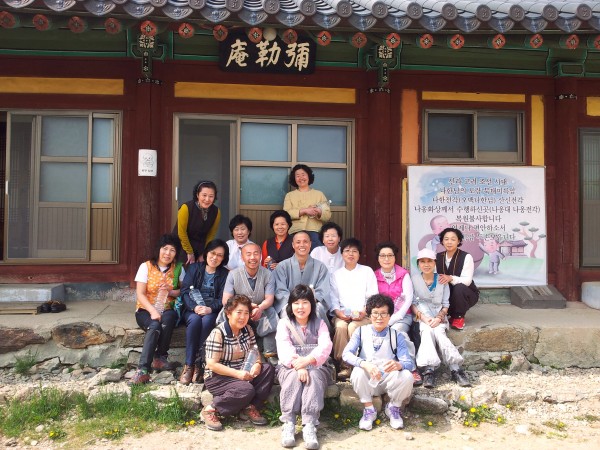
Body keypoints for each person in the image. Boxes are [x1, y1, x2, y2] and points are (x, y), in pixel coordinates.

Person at [202, 295, 275, 431]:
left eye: (246, 313)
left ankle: (250, 407)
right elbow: (212, 364)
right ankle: (211, 409)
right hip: (218, 376)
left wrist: (257, 364)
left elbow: (254, 351)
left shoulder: (248, 329)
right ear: (228, 313)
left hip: (242, 371)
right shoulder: (218, 333)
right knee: (246, 389)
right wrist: (237, 374)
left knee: (268, 369)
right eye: (239, 312)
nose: (243, 317)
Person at [342, 294, 415, 431]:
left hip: (388, 379)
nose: (379, 317)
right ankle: (369, 409)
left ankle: (394, 407)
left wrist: (399, 365)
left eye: (383, 313)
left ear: (389, 315)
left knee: (407, 376)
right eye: (375, 313)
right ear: (369, 315)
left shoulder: (396, 335)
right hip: (368, 379)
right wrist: (364, 364)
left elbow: (408, 362)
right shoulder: (360, 332)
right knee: (357, 371)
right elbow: (346, 354)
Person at [276, 285, 333, 449]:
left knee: (313, 377)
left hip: (316, 366)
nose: (300, 307)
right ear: (290, 305)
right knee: (293, 377)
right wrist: (298, 366)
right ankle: (288, 422)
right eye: (296, 303)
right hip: (290, 367)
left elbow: (325, 345)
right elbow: (284, 347)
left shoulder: (320, 324)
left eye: (305, 302)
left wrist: (307, 361)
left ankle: (310, 424)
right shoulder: (284, 324)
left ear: (312, 305)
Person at [411, 248, 471, 388]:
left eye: (429, 261)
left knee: (438, 332)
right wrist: (424, 319)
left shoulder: (442, 279)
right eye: (422, 261)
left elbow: (445, 304)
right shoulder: (413, 279)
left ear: (435, 263)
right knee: (427, 331)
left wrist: (438, 318)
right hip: (422, 317)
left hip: (439, 318)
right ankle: (429, 370)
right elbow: (413, 303)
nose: (426, 264)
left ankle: (455, 369)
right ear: (418, 264)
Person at [131, 234, 185, 385]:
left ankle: (160, 357)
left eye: (172, 250)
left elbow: (182, 291)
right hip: (145, 310)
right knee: (154, 325)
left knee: (169, 318)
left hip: (167, 308)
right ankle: (143, 370)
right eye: (165, 249)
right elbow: (140, 294)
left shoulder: (178, 269)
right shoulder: (146, 266)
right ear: (159, 249)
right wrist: (153, 311)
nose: (168, 253)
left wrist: (170, 291)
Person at [178, 239, 229, 385]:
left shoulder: (224, 274)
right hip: (192, 309)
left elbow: (223, 298)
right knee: (194, 320)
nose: (215, 257)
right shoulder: (194, 268)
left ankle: (200, 364)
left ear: (223, 258)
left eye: (219, 255)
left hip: (211, 310)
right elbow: (185, 291)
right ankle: (189, 365)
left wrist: (210, 308)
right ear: (206, 253)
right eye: (212, 253)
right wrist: (194, 307)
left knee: (207, 321)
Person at [220, 242, 279, 364]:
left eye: (256, 254)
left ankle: (270, 353)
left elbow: (269, 298)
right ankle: (229, 349)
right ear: (242, 258)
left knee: (272, 314)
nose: (252, 257)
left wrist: (260, 307)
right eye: (248, 254)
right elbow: (226, 300)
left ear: (260, 256)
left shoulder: (268, 274)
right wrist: (246, 306)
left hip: (260, 308)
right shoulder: (233, 274)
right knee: (225, 313)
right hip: (239, 307)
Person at [330, 238, 379, 379]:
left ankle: (358, 364)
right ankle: (344, 365)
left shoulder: (367, 271)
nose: (350, 254)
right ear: (342, 254)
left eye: (354, 251)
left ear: (359, 254)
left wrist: (364, 311)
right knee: (340, 327)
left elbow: (372, 295)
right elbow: (333, 298)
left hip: (364, 315)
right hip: (342, 315)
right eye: (347, 251)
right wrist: (338, 312)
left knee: (353, 327)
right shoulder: (336, 274)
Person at [374, 241, 421, 386]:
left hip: (402, 316)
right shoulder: (374, 275)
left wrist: (395, 317)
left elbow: (408, 298)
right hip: (381, 316)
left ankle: (411, 368)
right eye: (383, 256)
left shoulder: (403, 274)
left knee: (398, 332)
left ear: (395, 257)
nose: (386, 259)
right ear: (378, 258)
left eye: (390, 255)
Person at [274, 231, 332, 333]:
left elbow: (323, 291)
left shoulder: (320, 267)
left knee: (318, 310)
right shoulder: (282, 266)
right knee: (286, 312)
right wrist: (296, 303)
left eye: (305, 242)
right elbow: (280, 291)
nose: (302, 245)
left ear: (310, 244)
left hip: (313, 303)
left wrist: (308, 303)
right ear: (293, 245)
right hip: (289, 303)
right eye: (298, 242)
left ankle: (320, 340)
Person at [435, 227, 480, 330]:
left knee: (459, 287)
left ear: (459, 241)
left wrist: (451, 278)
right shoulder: (437, 257)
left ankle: (459, 317)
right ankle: (445, 314)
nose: (449, 242)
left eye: (453, 239)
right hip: (446, 293)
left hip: (466, 293)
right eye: (446, 239)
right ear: (442, 241)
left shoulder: (466, 257)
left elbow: (467, 281)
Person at [283, 164, 332, 250]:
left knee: (315, 256)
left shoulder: (319, 194)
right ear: (294, 178)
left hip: (315, 233)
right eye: (297, 176)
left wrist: (319, 211)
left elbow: (327, 215)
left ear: (309, 176)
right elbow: (285, 214)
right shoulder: (289, 195)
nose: (301, 178)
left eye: (303, 174)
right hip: (295, 232)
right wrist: (304, 211)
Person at [173, 180, 220, 265]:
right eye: (204, 195)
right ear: (197, 195)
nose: (207, 199)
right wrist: (190, 252)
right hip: (181, 246)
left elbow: (211, 234)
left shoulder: (216, 212)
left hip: (200, 248)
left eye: (211, 196)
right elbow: (181, 233)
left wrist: (205, 252)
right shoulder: (186, 208)